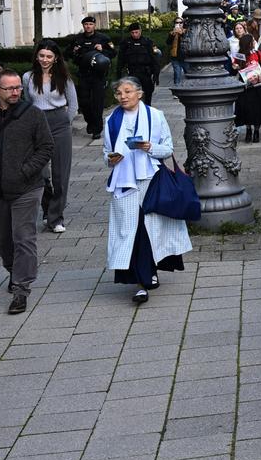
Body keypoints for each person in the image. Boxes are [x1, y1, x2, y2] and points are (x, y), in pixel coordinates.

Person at [0, 70, 54, 314]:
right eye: (9, 88)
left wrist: (27, 170)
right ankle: (14, 272)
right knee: (3, 238)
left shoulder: (32, 114)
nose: (15, 92)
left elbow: (46, 147)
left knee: (23, 237)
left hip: (27, 187)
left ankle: (21, 289)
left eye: (18, 88)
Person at [102, 78, 191, 305]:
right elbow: (106, 152)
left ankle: (147, 276)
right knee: (131, 231)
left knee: (150, 229)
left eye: (128, 91)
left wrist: (149, 147)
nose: (123, 96)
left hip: (151, 180)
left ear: (139, 93)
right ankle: (142, 280)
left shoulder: (155, 116)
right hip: (124, 182)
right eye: (119, 93)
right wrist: (111, 158)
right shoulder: (111, 120)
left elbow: (168, 149)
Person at [20, 42, 78, 234]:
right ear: (36, 56)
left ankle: (56, 218)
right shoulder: (28, 77)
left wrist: (66, 122)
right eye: (41, 55)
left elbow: (73, 104)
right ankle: (48, 210)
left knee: (61, 175)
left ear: (56, 58)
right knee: (41, 174)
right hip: (37, 124)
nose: (44, 60)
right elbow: (26, 104)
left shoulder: (64, 77)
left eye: (49, 56)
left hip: (59, 122)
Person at [68, 18, 115, 136]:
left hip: (98, 76)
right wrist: (74, 50)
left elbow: (113, 53)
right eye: (86, 24)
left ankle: (97, 130)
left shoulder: (103, 38)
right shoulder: (77, 39)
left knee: (97, 103)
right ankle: (90, 122)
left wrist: (102, 50)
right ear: (83, 25)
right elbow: (66, 54)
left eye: (91, 24)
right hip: (84, 74)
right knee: (84, 102)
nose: (88, 26)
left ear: (94, 25)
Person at [117, 23, 162, 105]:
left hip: (145, 73)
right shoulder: (126, 43)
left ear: (140, 31)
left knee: (148, 94)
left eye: (136, 32)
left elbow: (155, 60)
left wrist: (156, 75)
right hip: (132, 73)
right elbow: (120, 60)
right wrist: (119, 75)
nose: (134, 34)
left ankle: (146, 112)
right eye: (132, 33)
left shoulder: (148, 42)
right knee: (132, 95)